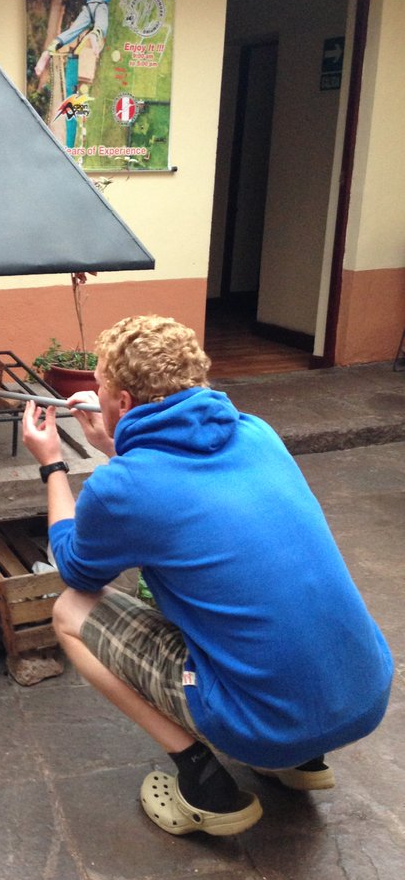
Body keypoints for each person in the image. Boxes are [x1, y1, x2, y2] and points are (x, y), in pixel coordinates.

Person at [21, 314, 393, 837]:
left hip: (261, 722)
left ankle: (204, 788)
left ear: (122, 402)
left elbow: (74, 567)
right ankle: (304, 760)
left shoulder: (124, 489)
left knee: (69, 613)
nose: (96, 395)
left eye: (100, 386)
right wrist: (117, 447)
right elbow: (176, 483)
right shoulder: (256, 433)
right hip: (363, 693)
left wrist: (52, 464)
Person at [34, 0, 152, 78]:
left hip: (88, 9)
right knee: (102, 26)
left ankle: (48, 51)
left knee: (71, 32)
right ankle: (94, 35)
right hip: (100, 6)